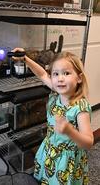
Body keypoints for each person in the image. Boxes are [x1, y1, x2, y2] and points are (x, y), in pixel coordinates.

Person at [11, 48, 94, 185]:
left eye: (66, 73)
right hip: (49, 151)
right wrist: (24, 58)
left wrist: (70, 131)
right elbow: (42, 74)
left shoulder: (80, 108)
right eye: (55, 74)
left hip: (67, 162)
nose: (60, 78)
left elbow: (88, 142)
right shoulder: (56, 93)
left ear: (79, 78)